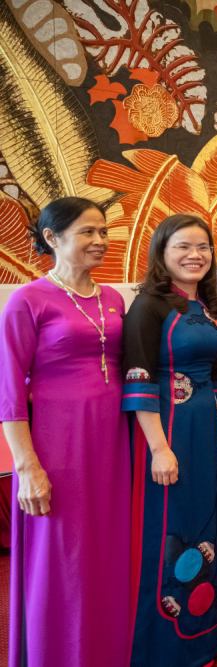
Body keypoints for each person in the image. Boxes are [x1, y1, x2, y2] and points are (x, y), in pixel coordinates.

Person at [0, 197, 132, 667]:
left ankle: (106, 651)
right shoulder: (28, 300)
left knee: (108, 550)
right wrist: (27, 467)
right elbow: (9, 395)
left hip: (112, 444)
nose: (100, 241)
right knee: (61, 555)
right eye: (87, 232)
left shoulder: (113, 298)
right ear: (52, 238)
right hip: (57, 448)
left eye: (103, 231)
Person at [124, 214, 217, 665]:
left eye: (203, 247)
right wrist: (159, 448)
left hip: (204, 431)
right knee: (169, 527)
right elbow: (138, 380)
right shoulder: (149, 306)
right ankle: (165, 646)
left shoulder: (205, 305)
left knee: (208, 521)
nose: (195, 255)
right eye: (183, 246)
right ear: (162, 253)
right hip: (167, 429)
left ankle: (203, 634)